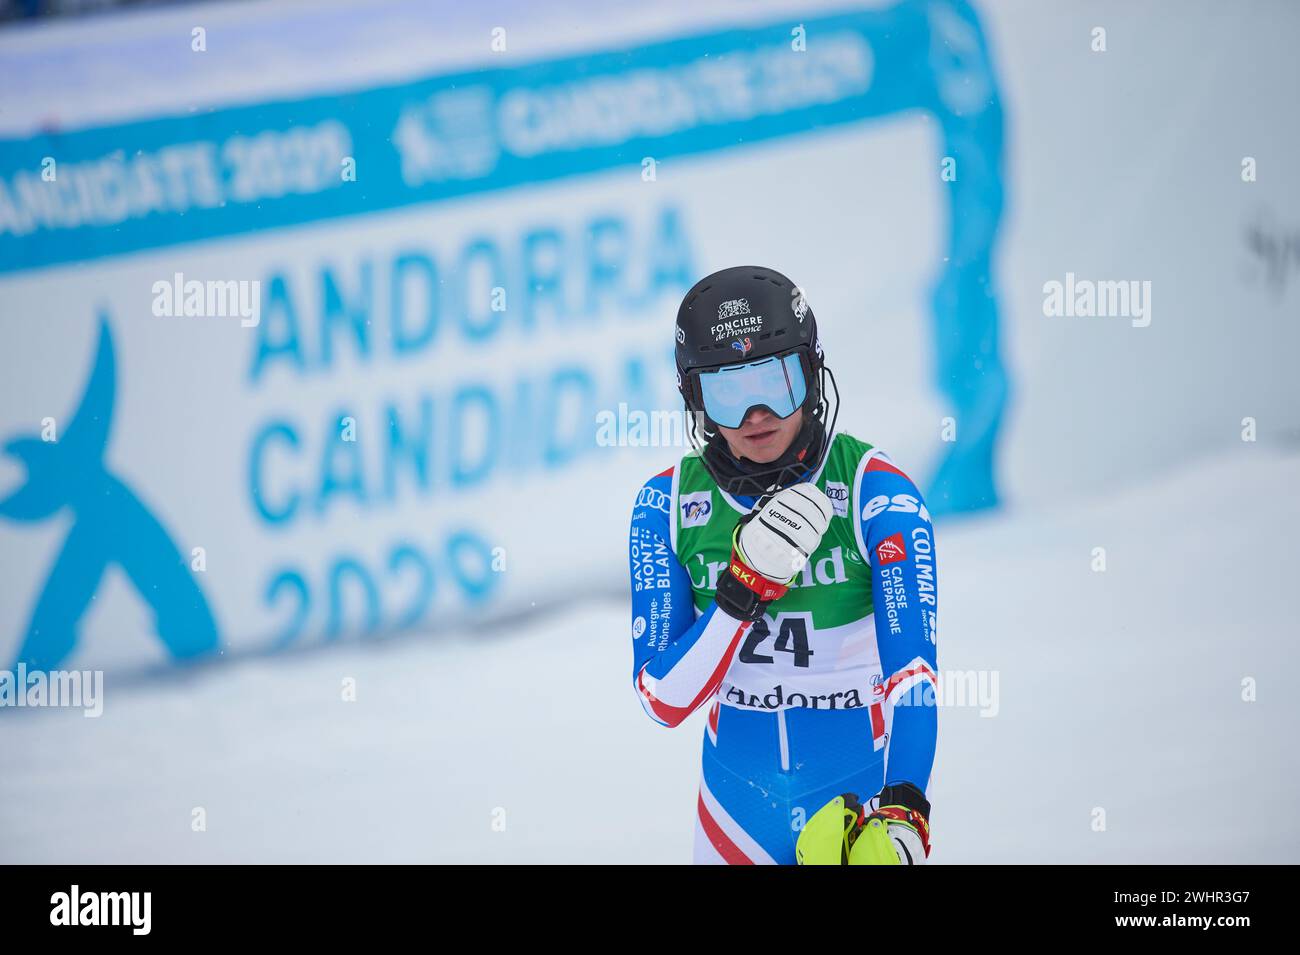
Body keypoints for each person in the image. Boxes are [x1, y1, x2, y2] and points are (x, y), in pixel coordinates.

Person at [627, 266, 938, 865]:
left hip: (859, 802)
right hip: (734, 819)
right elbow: (662, 699)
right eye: (727, 392)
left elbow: (914, 678)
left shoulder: (876, 490)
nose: (756, 414)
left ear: (813, 376)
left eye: (777, 380)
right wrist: (741, 593)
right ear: (695, 400)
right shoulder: (664, 506)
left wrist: (905, 811)